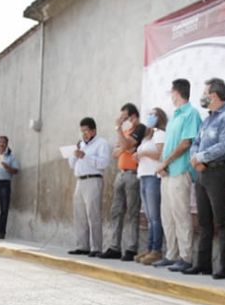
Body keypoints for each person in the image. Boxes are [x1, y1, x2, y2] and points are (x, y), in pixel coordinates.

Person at [187, 78, 225, 280]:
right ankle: (203, 264)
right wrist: (195, 158)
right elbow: (196, 143)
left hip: (219, 172)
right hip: (202, 173)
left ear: (215, 95)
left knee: (222, 221)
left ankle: (223, 267)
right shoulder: (207, 119)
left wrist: (201, 157)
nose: (202, 97)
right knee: (204, 221)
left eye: (205, 93)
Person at [155, 79, 201, 272]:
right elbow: (168, 145)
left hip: (180, 171)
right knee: (167, 215)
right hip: (167, 173)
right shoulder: (174, 116)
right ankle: (171, 255)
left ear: (177, 92)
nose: (170, 96)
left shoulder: (191, 113)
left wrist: (166, 162)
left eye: (171, 92)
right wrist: (162, 165)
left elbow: (185, 143)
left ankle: (185, 256)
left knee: (181, 215)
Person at [100, 104, 147, 260]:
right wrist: (125, 146)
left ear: (132, 115)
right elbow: (115, 153)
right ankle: (115, 246)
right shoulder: (126, 132)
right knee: (116, 211)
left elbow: (125, 145)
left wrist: (118, 129)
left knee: (132, 213)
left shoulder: (140, 128)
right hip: (120, 174)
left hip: (133, 174)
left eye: (124, 116)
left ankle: (131, 248)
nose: (122, 119)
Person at [67, 117, 111, 257]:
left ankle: (96, 247)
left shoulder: (101, 143)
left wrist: (85, 156)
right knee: (79, 215)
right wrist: (74, 154)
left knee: (93, 215)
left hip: (93, 180)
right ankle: (82, 246)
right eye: (82, 131)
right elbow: (72, 165)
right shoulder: (81, 145)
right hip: (80, 181)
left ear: (93, 130)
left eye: (86, 130)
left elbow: (103, 163)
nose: (83, 134)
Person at [135, 107, 169, 266]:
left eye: (153, 114)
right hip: (143, 175)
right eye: (149, 114)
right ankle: (149, 248)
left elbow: (161, 155)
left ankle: (156, 249)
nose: (150, 117)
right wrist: (138, 156)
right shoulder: (147, 136)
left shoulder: (160, 134)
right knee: (149, 216)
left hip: (153, 177)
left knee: (155, 217)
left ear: (160, 117)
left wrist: (144, 154)